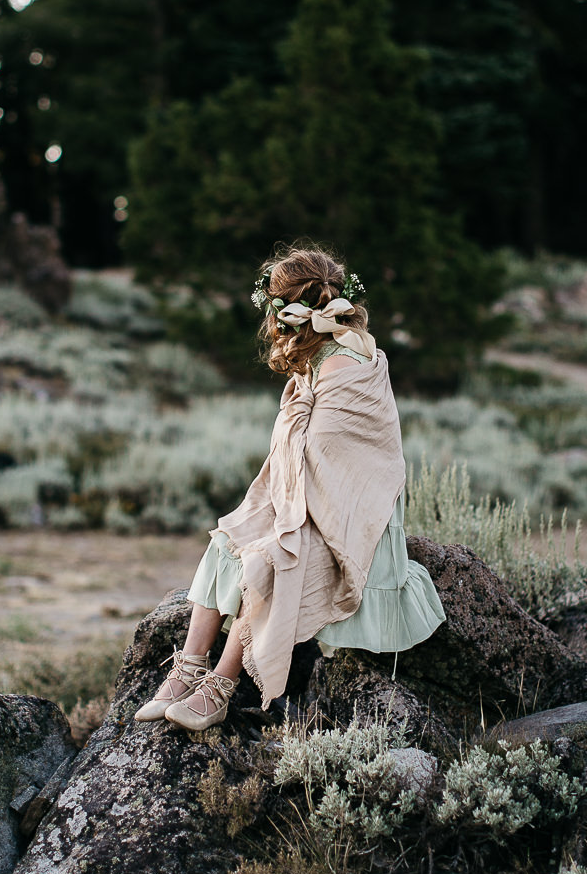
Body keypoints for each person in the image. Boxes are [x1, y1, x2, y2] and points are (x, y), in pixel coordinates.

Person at [134, 244, 446, 732]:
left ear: (285, 314)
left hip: (351, 517)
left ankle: (219, 688)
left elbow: (347, 470)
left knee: (273, 559)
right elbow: (298, 462)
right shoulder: (323, 357)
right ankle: (186, 670)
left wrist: (285, 523)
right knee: (229, 536)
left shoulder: (343, 368)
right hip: (314, 500)